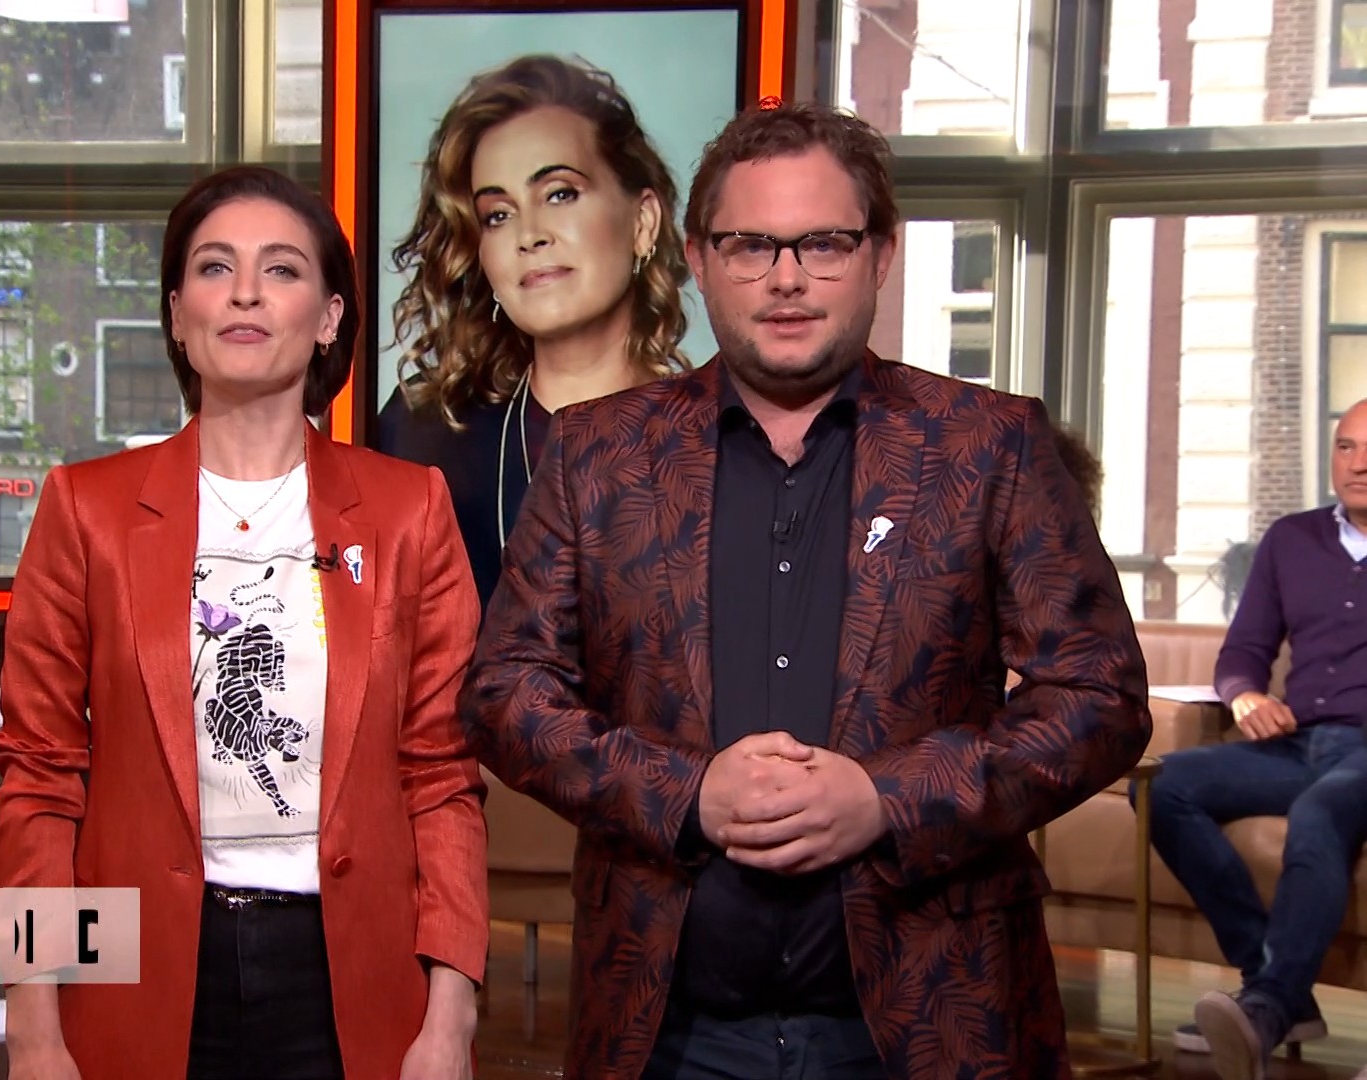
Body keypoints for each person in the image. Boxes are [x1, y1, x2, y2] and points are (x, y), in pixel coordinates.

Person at [461, 100, 1153, 1078]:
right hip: (667, 1031)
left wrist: (887, 799)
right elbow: (506, 695)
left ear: (881, 255)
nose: (786, 278)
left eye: (823, 243)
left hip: (931, 1022)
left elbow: (1099, 699)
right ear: (698, 260)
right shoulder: (596, 453)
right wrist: (688, 793)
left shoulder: (990, 445)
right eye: (750, 246)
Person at [0, 165, 488, 1080]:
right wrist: (31, 1019)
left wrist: (451, 1012)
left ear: (330, 317)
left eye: (282, 269)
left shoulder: (408, 509)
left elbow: (442, 775)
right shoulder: (86, 510)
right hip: (140, 972)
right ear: (178, 315)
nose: (247, 292)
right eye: (215, 267)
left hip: (350, 975)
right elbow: (40, 775)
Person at [375, 54, 691, 613]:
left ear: (642, 223)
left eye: (560, 193)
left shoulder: (720, 441)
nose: (529, 234)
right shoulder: (422, 436)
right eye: (498, 214)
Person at [1134, 397, 1367, 1080]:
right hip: (1299, 744)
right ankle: (1274, 988)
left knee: (1319, 814)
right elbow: (1243, 652)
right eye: (1347, 447)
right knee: (1164, 787)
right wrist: (1246, 695)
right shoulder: (1293, 540)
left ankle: (1265, 1009)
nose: (1360, 464)